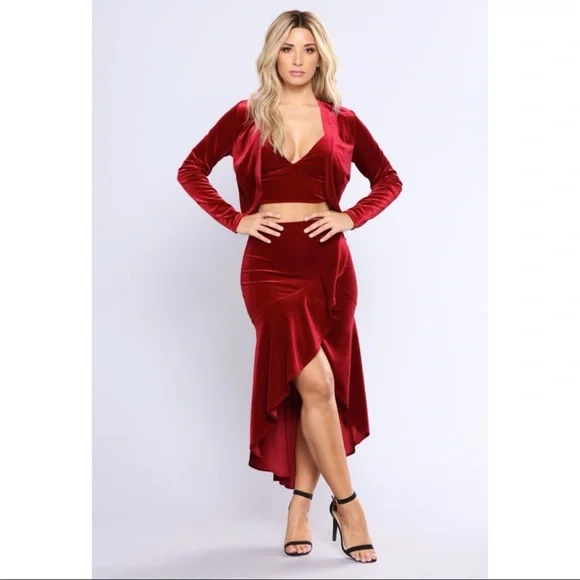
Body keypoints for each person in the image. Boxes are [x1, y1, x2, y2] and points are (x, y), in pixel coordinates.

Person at [177, 9, 402, 564]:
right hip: (269, 269)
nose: (297, 60)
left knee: (314, 391)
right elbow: (192, 169)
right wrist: (236, 219)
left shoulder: (343, 121)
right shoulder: (246, 115)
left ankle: (299, 508)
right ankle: (349, 507)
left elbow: (388, 180)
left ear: (321, 56)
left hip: (330, 268)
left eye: (308, 49)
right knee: (315, 382)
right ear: (272, 54)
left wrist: (351, 216)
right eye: (287, 48)